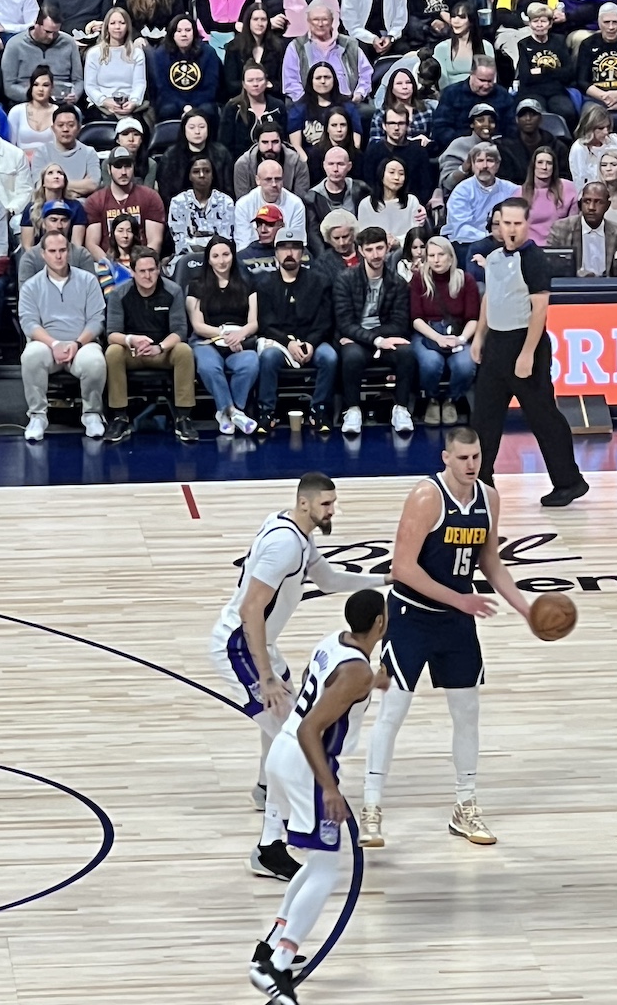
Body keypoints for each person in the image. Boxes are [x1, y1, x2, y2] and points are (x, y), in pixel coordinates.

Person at [359, 424, 530, 851]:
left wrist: (526, 609)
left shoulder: (489, 498)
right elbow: (402, 567)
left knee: (466, 712)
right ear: (446, 459)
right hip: (411, 616)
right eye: (463, 458)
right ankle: (371, 806)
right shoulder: (426, 497)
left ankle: (465, 805)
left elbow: (489, 562)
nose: (472, 465)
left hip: (455, 621)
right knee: (392, 712)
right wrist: (461, 599)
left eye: (477, 457)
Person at [209, 475, 385, 877]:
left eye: (333, 503)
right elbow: (251, 609)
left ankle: (264, 788)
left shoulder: (297, 536)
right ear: (304, 504)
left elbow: (329, 581)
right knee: (290, 731)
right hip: (241, 646)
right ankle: (269, 846)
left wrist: (386, 579)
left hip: (261, 645)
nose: (332, 510)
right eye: (326, 504)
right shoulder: (285, 544)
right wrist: (267, 676)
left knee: (279, 728)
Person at [249, 588, 388, 1004]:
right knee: (328, 870)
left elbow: (335, 687)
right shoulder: (357, 673)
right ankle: (276, 964)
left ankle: (272, 947)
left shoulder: (335, 642)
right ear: (379, 624)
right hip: (306, 763)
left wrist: (374, 680)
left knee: (319, 862)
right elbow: (314, 727)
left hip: (284, 753)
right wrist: (329, 787)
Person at [471, 198, 587, 504]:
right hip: (496, 344)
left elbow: (540, 310)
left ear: (527, 224)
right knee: (484, 417)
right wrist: (479, 337)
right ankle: (481, 480)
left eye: (516, 223)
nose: (510, 229)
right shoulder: (494, 257)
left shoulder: (534, 259)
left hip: (524, 343)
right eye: (504, 223)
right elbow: (489, 299)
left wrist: (527, 354)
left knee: (543, 417)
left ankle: (569, 481)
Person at [103, 247, 199, 443]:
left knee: (184, 351)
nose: (148, 275)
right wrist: (131, 340)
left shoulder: (173, 291)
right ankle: (120, 416)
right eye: (142, 271)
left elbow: (180, 331)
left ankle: (183, 417)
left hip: (161, 350)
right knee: (113, 352)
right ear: (133, 272)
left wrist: (160, 347)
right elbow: (112, 334)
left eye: (152, 270)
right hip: (132, 351)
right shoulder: (119, 294)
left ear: (158, 269)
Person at [18, 231, 107, 442]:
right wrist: (55, 344)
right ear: (43, 254)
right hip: (47, 344)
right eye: (52, 251)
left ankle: (92, 413)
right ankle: (38, 416)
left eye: (62, 250)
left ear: (68, 252)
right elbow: (29, 323)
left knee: (95, 361)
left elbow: (97, 320)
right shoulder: (31, 286)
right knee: (30, 356)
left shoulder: (88, 280)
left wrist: (76, 344)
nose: (58, 256)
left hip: (82, 344)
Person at [333, 225, 415, 436]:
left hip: (379, 338)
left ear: (388, 248)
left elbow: (399, 323)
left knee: (406, 353)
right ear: (360, 250)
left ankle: (401, 409)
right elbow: (345, 323)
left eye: (380, 248)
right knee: (351, 357)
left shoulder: (398, 283)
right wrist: (375, 340)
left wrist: (377, 339)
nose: (376, 255)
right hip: (358, 340)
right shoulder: (345, 279)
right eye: (370, 250)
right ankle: (352, 410)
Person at [255, 228, 337, 435]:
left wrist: (311, 342)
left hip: (313, 340)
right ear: (275, 253)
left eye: (295, 248)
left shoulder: (320, 281)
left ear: (303, 253)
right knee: (268, 357)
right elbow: (265, 323)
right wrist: (288, 343)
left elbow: (325, 320)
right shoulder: (264, 284)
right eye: (283, 248)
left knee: (330, 357)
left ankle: (319, 410)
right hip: (280, 343)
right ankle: (266, 411)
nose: (289, 253)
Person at [186, 232, 260, 435]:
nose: (221, 261)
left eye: (226, 254)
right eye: (215, 256)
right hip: (206, 340)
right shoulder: (196, 285)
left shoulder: (248, 283)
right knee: (209, 367)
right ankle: (234, 412)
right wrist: (224, 335)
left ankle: (227, 413)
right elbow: (198, 325)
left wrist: (240, 335)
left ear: (233, 256)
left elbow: (253, 323)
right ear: (208, 259)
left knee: (250, 362)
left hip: (239, 341)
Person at [408, 236, 479, 424]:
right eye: (431, 255)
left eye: (441, 255)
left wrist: (462, 339)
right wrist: (438, 338)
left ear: (450, 256)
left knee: (465, 364)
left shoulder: (466, 280)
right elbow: (416, 319)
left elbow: (473, 318)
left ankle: (451, 400)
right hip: (426, 333)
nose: (436, 260)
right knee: (431, 363)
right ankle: (431, 399)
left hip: (457, 335)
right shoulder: (418, 280)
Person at [281, 1, 373, 105]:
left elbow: (366, 74)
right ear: (308, 21)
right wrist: (306, 102)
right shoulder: (296, 46)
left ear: (332, 20)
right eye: (315, 20)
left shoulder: (350, 45)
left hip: (348, 102)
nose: (320, 24)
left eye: (324, 19)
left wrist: (359, 94)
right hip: (310, 104)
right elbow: (291, 81)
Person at [84, 148, 165, 258]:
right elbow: (92, 244)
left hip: (142, 265)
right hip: (108, 265)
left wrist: (139, 265)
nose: (123, 172)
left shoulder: (150, 197)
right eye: (118, 166)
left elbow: (155, 241)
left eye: (127, 166)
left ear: (133, 167)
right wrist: (111, 267)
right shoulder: (95, 201)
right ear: (109, 169)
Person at [148, 14, 222, 122]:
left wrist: (192, 108)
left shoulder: (208, 53)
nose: (184, 34)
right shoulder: (160, 54)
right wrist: (183, 106)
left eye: (188, 30)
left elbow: (211, 88)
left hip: (201, 102)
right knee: (167, 110)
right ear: (172, 34)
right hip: (172, 102)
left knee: (208, 110)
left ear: (194, 33)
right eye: (179, 31)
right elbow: (162, 89)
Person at [2, 10, 84, 105]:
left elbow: (78, 80)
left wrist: (75, 95)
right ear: (36, 25)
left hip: (62, 102)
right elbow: (9, 86)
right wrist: (36, 96)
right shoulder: (15, 44)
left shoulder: (69, 42)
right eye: (47, 32)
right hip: (26, 101)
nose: (51, 36)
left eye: (55, 32)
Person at [515, 2, 576, 127]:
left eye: (543, 21)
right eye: (535, 21)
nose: (539, 25)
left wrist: (542, 71)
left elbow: (569, 73)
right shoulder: (524, 44)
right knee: (535, 115)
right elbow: (525, 77)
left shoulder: (559, 41)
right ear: (530, 24)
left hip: (556, 91)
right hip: (531, 91)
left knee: (567, 112)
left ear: (550, 23)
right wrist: (555, 72)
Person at [158, 108, 234, 207]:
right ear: (184, 129)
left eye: (202, 127)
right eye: (192, 127)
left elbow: (228, 189)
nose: (197, 132)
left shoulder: (221, 153)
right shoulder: (171, 156)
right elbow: (166, 193)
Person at [547, 179, 617, 275]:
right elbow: (550, 265)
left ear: (607, 205)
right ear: (580, 204)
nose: (591, 207)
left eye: (598, 202)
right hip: (574, 287)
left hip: (608, 287)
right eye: (587, 201)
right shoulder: (561, 229)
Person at [167, 154, 235, 265]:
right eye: (196, 171)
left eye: (207, 171)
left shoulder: (226, 201)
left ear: (213, 175)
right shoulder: (178, 202)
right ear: (189, 176)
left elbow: (226, 238)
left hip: (219, 257)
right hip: (186, 257)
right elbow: (180, 240)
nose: (202, 175)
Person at [433, 58, 516, 145]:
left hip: (496, 148)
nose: (486, 85)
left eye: (490, 81)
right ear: (471, 74)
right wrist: (465, 144)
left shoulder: (503, 95)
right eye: (482, 80)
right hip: (459, 148)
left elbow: (512, 127)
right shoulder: (451, 94)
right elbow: (441, 128)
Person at [83, 7, 146, 121]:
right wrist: (105, 101)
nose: (117, 27)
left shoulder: (137, 53)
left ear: (128, 26)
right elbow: (90, 86)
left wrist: (133, 101)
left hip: (129, 104)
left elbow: (139, 83)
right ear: (106, 27)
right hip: (101, 105)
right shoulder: (94, 53)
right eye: (113, 23)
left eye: (122, 23)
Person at [234, 158, 306, 250]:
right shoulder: (244, 205)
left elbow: (298, 242)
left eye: (278, 179)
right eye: (268, 179)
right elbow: (243, 244)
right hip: (254, 254)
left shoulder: (296, 204)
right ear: (258, 180)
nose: (274, 184)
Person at [31, 106, 98, 198]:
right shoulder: (42, 152)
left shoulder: (89, 152)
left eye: (71, 125)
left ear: (79, 128)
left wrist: (55, 184)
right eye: (60, 125)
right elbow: (39, 184)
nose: (65, 129)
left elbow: (93, 184)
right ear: (53, 128)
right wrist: (77, 189)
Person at [357, 157, 427, 244]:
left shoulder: (411, 201)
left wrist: (398, 241)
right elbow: (363, 233)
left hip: (404, 248)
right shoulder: (366, 204)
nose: (397, 177)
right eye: (391, 172)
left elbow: (415, 232)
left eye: (401, 174)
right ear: (381, 175)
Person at [0, 107, 32, 222]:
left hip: (10, 214)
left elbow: (25, 191)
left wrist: (10, 211)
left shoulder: (15, 154)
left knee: (18, 223)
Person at [224, 4, 286, 100]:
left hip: (271, 98)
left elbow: (281, 82)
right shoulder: (234, 47)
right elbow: (230, 83)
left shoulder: (278, 47)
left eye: (263, 19)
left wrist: (264, 87)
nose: (260, 24)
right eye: (255, 19)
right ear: (248, 21)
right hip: (241, 99)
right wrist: (261, 86)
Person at [20, 161, 86, 248]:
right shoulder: (31, 208)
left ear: (65, 181)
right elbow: (27, 246)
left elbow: (76, 245)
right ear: (43, 182)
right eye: (50, 173)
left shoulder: (76, 207)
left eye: (60, 173)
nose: (56, 176)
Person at [433, 2, 494, 91]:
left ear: (471, 21)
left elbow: (491, 79)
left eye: (462, 17)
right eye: (453, 16)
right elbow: (443, 83)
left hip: (480, 95)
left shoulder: (486, 46)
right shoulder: (441, 48)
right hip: (452, 97)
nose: (456, 21)